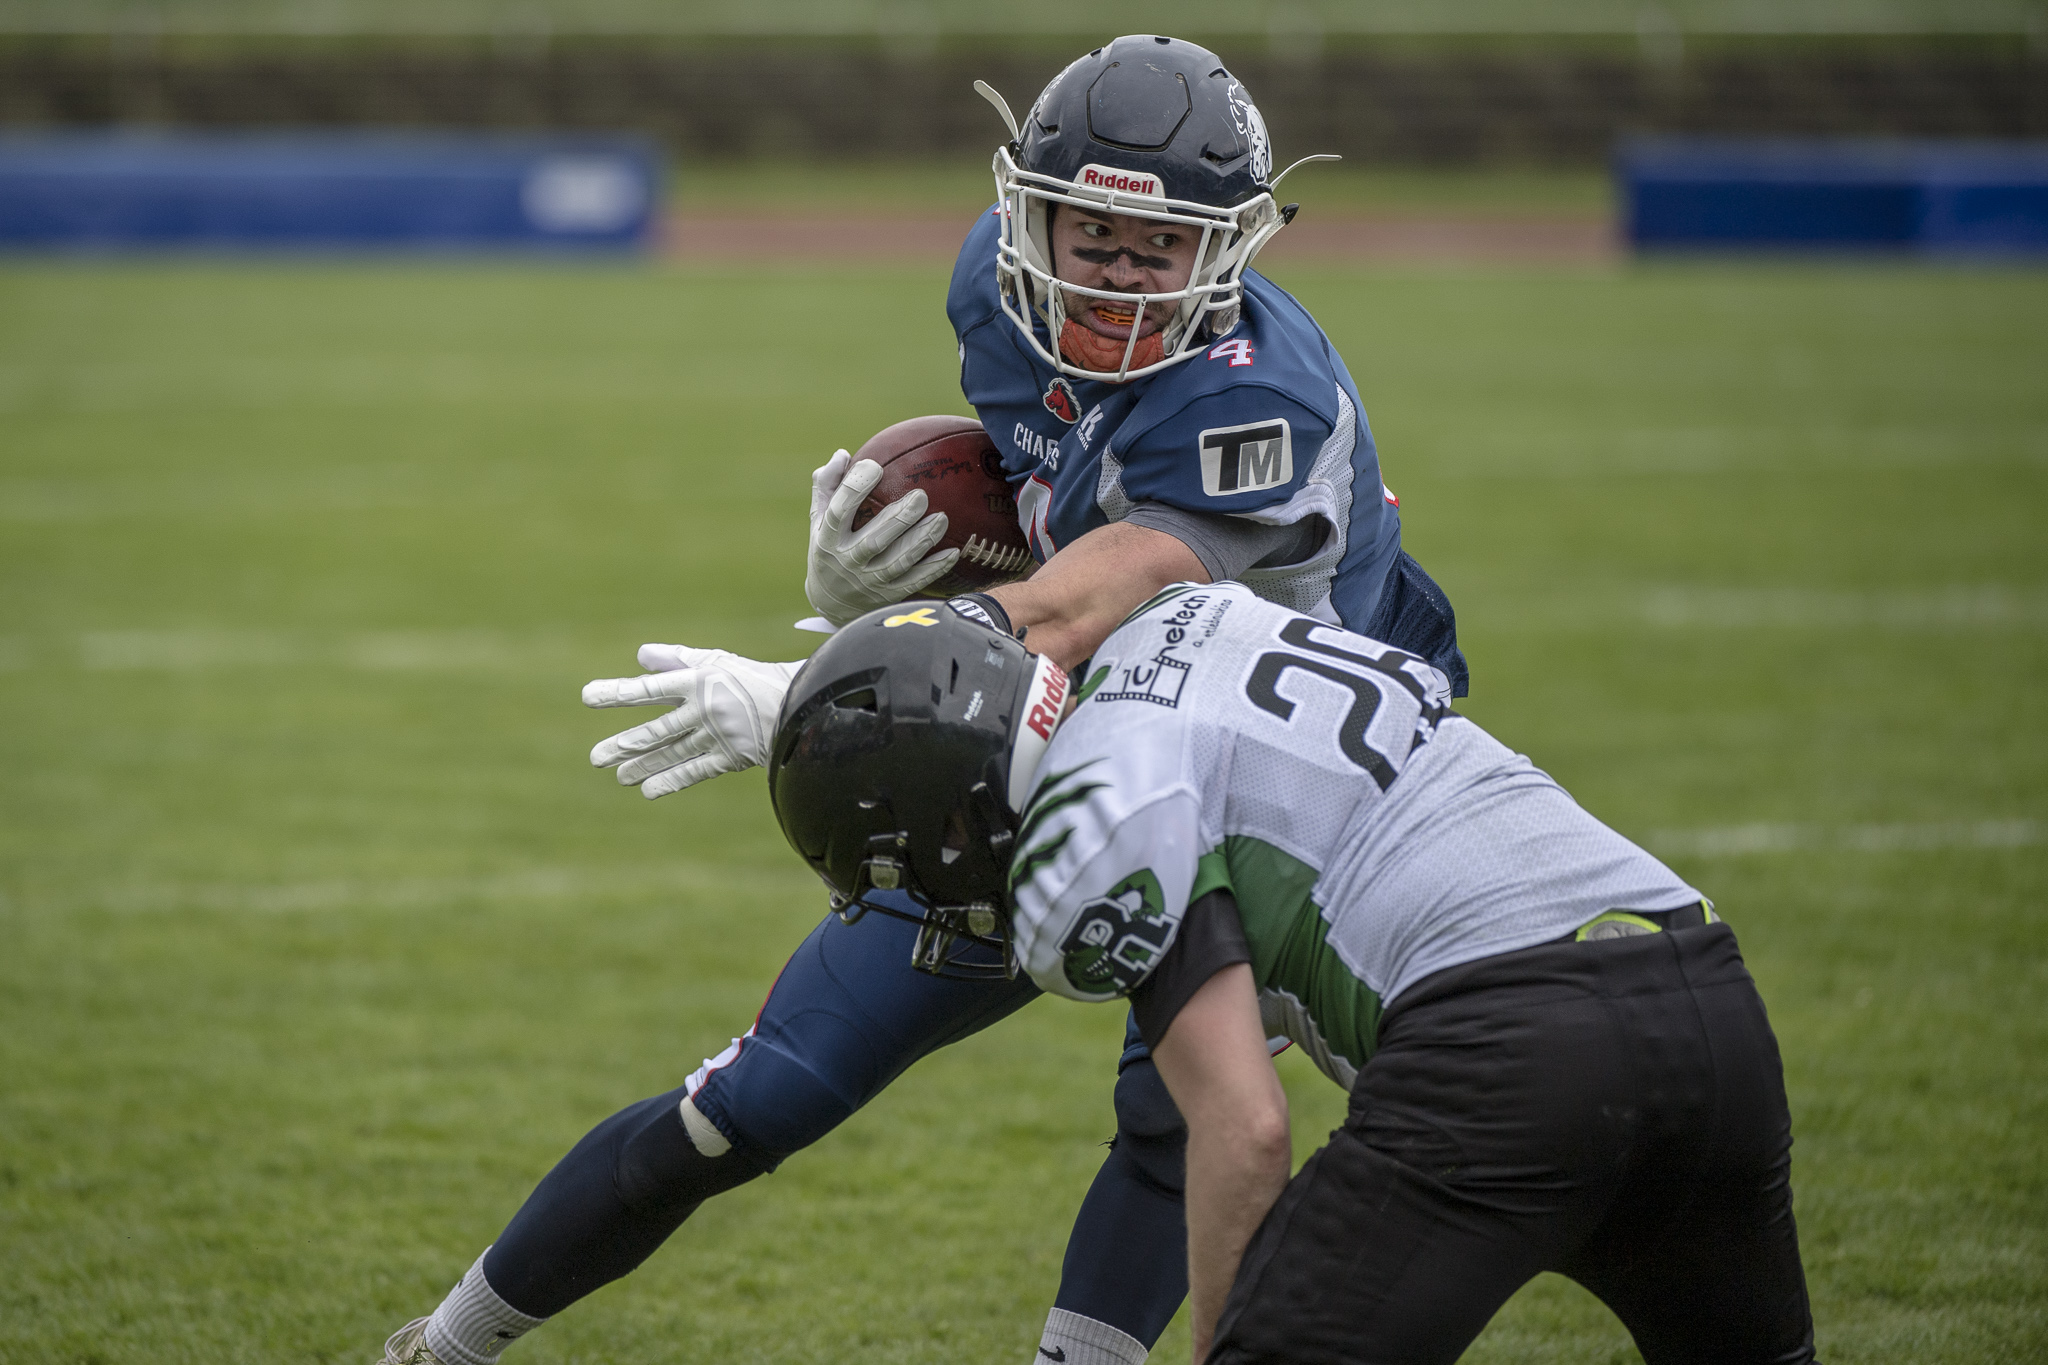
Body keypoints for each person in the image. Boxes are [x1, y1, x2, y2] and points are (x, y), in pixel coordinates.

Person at [380, 35, 1467, 1365]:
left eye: (1157, 247)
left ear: (1228, 250)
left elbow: (1081, 613)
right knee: (760, 1097)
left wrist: (811, 680)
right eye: (1092, 231)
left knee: (1178, 1119)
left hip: (1261, 789)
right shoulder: (996, 296)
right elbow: (1038, 522)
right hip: (1076, 734)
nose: (1116, 275)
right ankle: (436, 1347)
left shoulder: (1258, 412)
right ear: (1032, 214)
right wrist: (857, 581)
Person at [768, 589, 1819, 1365]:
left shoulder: (1091, 820)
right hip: (1701, 993)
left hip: (1510, 1050)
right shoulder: (1174, 627)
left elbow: (1244, 1126)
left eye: (906, 854)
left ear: (948, 814)